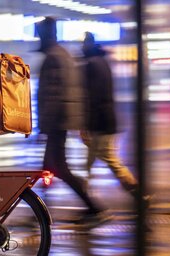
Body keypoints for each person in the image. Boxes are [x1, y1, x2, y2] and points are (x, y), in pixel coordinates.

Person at [36, 18, 109, 225]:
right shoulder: (63, 54)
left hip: (57, 123)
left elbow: (53, 94)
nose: (38, 38)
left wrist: (45, 127)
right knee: (48, 167)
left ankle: (94, 208)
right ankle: (40, 213)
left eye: (40, 34)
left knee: (59, 169)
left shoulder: (53, 57)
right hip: (62, 121)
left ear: (47, 35)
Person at [80, 32, 139, 197]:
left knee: (109, 158)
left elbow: (92, 97)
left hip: (100, 123)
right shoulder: (102, 62)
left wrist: (86, 125)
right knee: (91, 161)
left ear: (88, 45)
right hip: (106, 120)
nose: (81, 47)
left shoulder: (91, 65)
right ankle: (86, 196)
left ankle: (134, 188)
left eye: (83, 44)